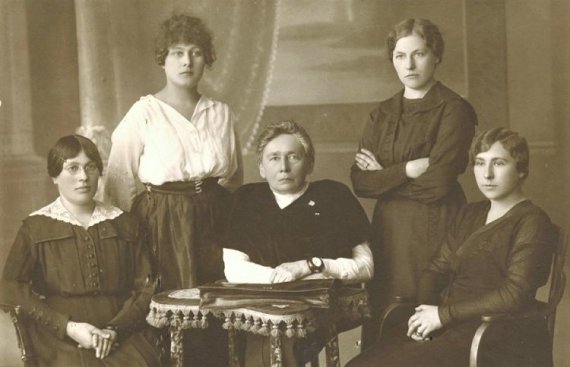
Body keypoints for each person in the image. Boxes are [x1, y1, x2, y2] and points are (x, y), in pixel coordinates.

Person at [346, 127, 557, 367]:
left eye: (498, 163)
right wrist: (423, 316)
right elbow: (435, 270)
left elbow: (515, 294)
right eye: (479, 163)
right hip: (448, 325)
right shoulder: (470, 213)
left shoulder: (532, 221)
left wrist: (443, 315)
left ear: (521, 170)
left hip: (495, 332)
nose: (486, 174)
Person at [103, 13, 242, 365]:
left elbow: (235, 175)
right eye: (177, 52)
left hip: (215, 218)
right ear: (162, 59)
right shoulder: (144, 113)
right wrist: (138, 231)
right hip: (162, 223)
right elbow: (118, 181)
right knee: (173, 312)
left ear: (206, 60)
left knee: (218, 311)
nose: (186, 61)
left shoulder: (221, 113)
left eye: (196, 52)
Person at [351, 18, 478, 347]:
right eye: (399, 55)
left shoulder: (454, 110)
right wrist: (406, 170)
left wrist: (385, 175)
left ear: (436, 55)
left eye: (418, 54)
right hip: (389, 232)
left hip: (435, 226)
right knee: (386, 326)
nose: (408, 64)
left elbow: (437, 184)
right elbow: (361, 181)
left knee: (427, 320)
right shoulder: (382, 113)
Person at [222, 120, 373, 366]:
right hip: (258, 309)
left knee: (282, 342)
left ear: (310, 163)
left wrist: (309, 265)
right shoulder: (246, 200)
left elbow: (366, 267)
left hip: (314, 310)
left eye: (293, 157)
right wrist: (282, 278)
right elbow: (234, 268)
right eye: (273, 158)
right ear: (261, 167)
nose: (283, 167)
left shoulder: (334, 196)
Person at [0, 135, 160, 366]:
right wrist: (68, 327)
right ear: (54, 176)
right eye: (72, 168)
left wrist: (115, 330)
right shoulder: (35, 228)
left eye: (90, 167)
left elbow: (146, 286)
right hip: (60, 338)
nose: (83, 177)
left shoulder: (125, 223)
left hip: (123, 334)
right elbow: (10, 288)